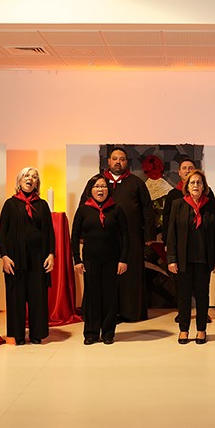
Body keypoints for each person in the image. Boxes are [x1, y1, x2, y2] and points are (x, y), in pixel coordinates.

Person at [0, 167, 55, 345]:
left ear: (37, 182)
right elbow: (2, 233)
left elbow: (49, 233)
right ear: (19, 180)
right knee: (16, 297)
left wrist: (51, 254)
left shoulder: (42, 205)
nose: (30, 179)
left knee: (38, 296)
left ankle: (37, 333)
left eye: (34, 177)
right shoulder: (10, 204)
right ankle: (18, 335)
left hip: (38, 258)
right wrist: (4, 256)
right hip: (15, 258)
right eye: (26, 176)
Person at [167, 170, 215, 345]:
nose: (195, 186)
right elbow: (172, 234)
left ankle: (201, 330)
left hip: (204, 259)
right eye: (192, 183)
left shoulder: (212, 205)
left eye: (199, 183)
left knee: (202, 296)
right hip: (184, 259)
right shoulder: (178, 204)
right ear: (187, 186)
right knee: (183, 296)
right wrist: (171, 258)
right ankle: (184, 330)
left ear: (204, 186)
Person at [71, 174, 129, 345]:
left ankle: (108, 333)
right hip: (90, 261)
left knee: (110, 297)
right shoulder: (83, 209)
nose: (100, 189)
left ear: (108, 189)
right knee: (92, 297)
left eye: (103, 186)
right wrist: (77, 259)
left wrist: (123, 259)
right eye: (96, 186)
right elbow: (74, 236)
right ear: (91, 190)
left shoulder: (117, 209)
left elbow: (125, 235)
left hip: (112, 260)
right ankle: (91, 333)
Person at [102, 147, 156, 321]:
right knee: (106, 275)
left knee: (131, 275)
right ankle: (105, 312)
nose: (118, 162)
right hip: (105, 238)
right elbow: (84, 207)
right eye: (115, 159)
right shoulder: (98, 182)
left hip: (133, 237)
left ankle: (131, 312)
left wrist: (149, 235)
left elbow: (147, 209)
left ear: (127, 162)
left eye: (122, 159)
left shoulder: (136, 183)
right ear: (108, 161)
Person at [162, 157, 196, 241]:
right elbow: (167, 219)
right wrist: (167, 240)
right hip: (178, 238)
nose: (187, 171)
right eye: (184, 168)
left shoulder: (205, 192)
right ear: (179, 172)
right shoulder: (173, 195)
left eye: (190, 168)